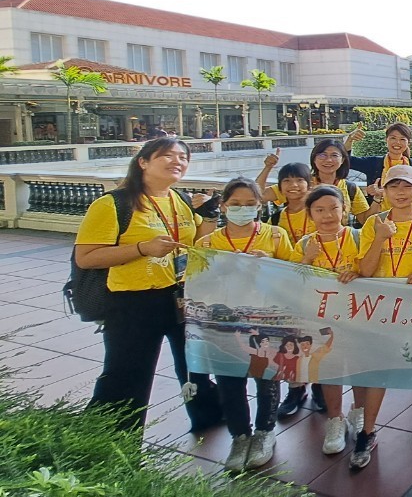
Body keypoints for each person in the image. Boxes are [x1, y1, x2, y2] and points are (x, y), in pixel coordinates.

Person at [75, 137, 218, 433]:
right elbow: (86, 258)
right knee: (127, 375)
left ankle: (209, 417)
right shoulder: (113, 203)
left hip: (180, 296)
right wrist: (142, 248)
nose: (177, 161)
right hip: (132, 303)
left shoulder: (179, 199)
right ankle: (109, 442)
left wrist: (209, 215)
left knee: (194, 365)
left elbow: (193, 245)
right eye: (168, 155)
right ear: (143, 162)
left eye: (183, 157)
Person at [196, 177, 295, 470]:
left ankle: (265, 432)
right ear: (224, 206)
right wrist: (221, 270)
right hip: (223, 322)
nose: (243, 209)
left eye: (250, 204)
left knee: (267, 378)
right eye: (236, 204)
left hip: (266, 320)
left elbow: (296, 277)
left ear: (260, 206)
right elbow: (196, 285)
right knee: (229, 379)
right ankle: (239, 435)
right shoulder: (207, 243)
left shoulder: (275, 236)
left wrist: (271, 265)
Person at [352, 164, 412, 469]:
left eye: (407, 186)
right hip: (383, 308)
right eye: (394, 186)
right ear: (385, 190)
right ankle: (368, 431)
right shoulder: (373, 223)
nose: (401, 193)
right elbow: (365, 270)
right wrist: (380, 238)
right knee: (379, 368)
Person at [294, 185, 362, 455]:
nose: (328, 215)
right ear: (310, 214)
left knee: (360, 365)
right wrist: (307, 259)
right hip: (320, 319)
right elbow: (290, 282)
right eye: (319, 210)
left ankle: (359, 412)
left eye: (334, 208)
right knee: (329, 368)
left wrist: (358, 273)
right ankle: (335, 419)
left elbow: (372, 270)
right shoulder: (304, 244)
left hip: (358, 316)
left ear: (344, 210)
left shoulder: (358, 237)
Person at [309, 138, 375, 225]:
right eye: (322, 155)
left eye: (334, 155)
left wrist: (377, 199)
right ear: (314, 159)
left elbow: (365, 220)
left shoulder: (350, 188)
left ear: (342, 160)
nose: (328, 160)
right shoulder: (304, 185)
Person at [344, 121, 412, 185]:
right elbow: (346, 161)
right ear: (386, 140)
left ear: (408, 143)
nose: (397, 142)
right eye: (393, 138)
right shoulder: (373, 163)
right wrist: (349, 140)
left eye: (402, 139)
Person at [264, 162, 314, 245]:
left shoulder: (318, 212)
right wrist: (267, 167)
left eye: (299, 180)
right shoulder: (275, 219)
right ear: (279, 187)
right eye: (287, 180)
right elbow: (256, 195)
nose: (294, 185)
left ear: (310, 184)